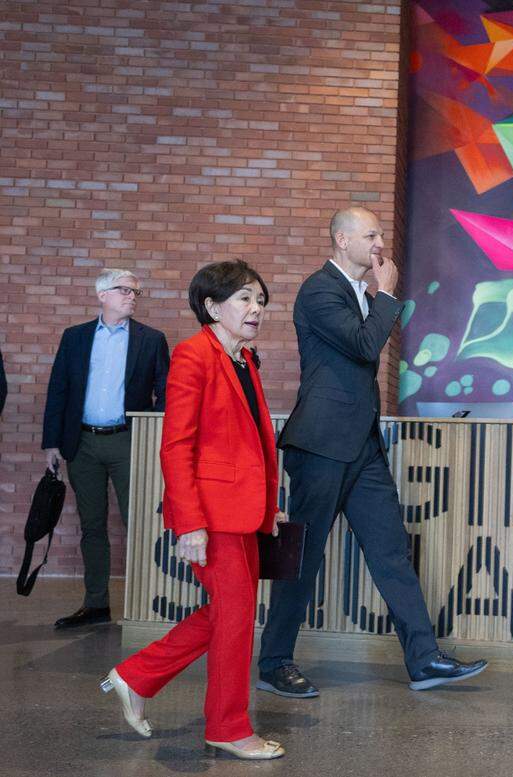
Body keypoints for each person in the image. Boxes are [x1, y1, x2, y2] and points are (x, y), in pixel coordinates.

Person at [258, 206, 486, 697]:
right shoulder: (319, 289)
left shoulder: (360, 294)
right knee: (303, 560)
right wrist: (386, 295)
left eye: (381, 234)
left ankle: (424, 659)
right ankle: (274, 661)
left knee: (391, 553)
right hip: (320, 446)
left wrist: (376, 297)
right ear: (342, 240)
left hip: (362, 447)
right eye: (371, 235)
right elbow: (364, 347)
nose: (380, 243)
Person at [101, 260, 287, 759]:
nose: (256, 309)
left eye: (261, 301)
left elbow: (252, 445)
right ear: (211, 306)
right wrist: (191, 524)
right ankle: (227, 727)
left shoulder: (244, 360)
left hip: (243, 512)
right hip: (212, 514)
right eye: (245, 299)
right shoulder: (193, 355)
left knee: (233, 612)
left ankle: (136, 676)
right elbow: (176, 446)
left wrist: (270, 506)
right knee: (235, 615)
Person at [42, 268, 169, 628]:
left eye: (135, 292)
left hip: (129, 441)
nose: (131, 296)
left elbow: (167, 392)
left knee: (140, 523)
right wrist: (51, 442)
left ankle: (146, 604)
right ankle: (96, 604)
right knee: (92, 525)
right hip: (81, 443)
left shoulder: (151, 339)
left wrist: (153, 435)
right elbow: (59, 390)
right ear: (102, 295)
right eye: (124, 290)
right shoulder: (75, 337)